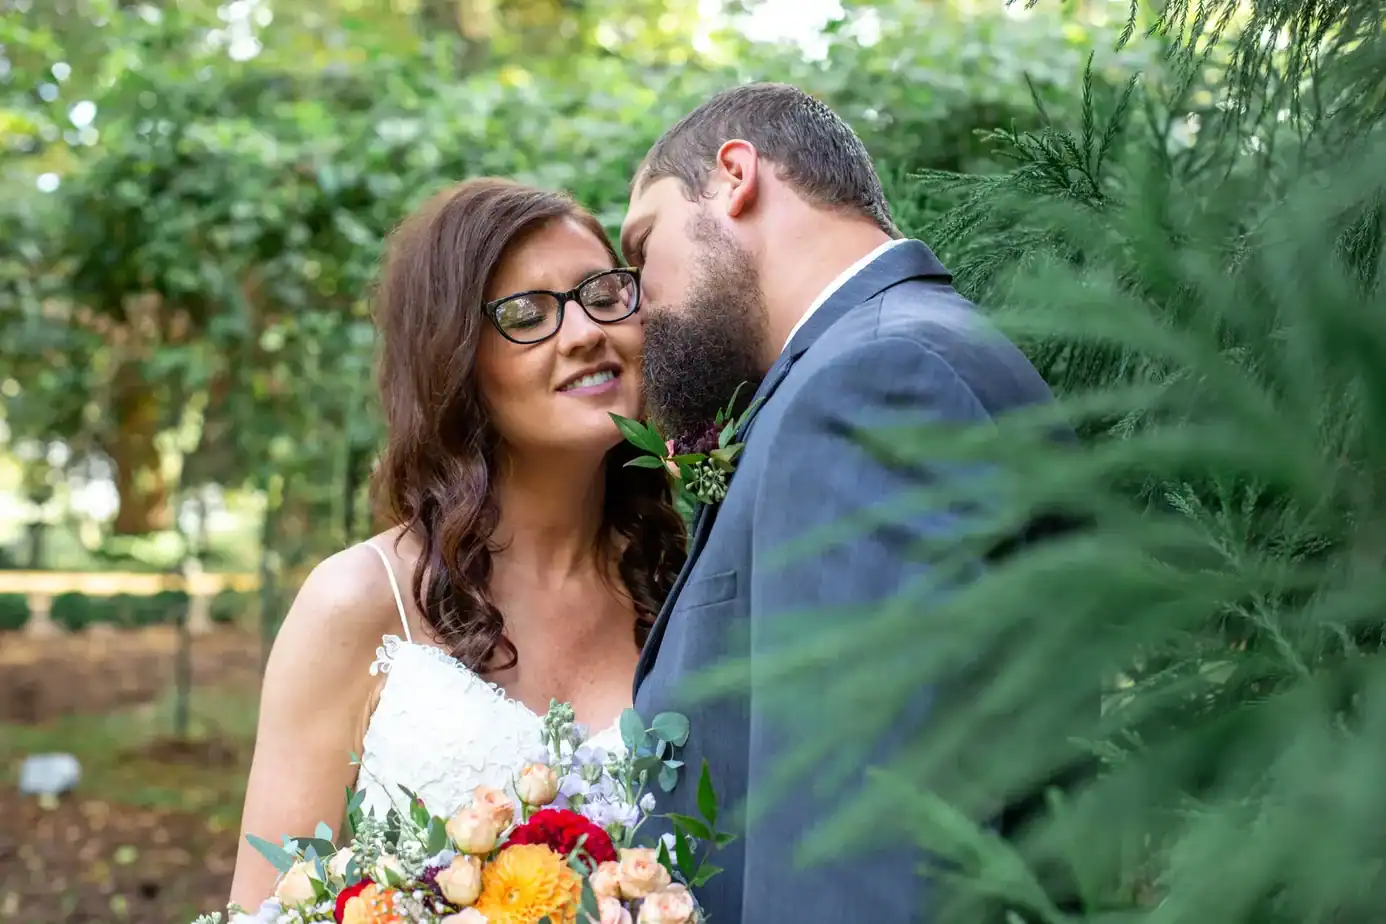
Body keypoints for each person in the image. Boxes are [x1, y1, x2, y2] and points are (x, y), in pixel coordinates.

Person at [623, 83, 1060, 921]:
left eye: (643, 246)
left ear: (734, 176)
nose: (640, 304)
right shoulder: (889, 354)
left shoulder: (875, 381)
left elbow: (865, 845)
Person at [228, 178, 686, 908]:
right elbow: (267, 911)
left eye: (603, 295)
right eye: (527, 314)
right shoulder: (358, 600)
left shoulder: (688, 591)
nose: (585, 332)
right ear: (456, 362)